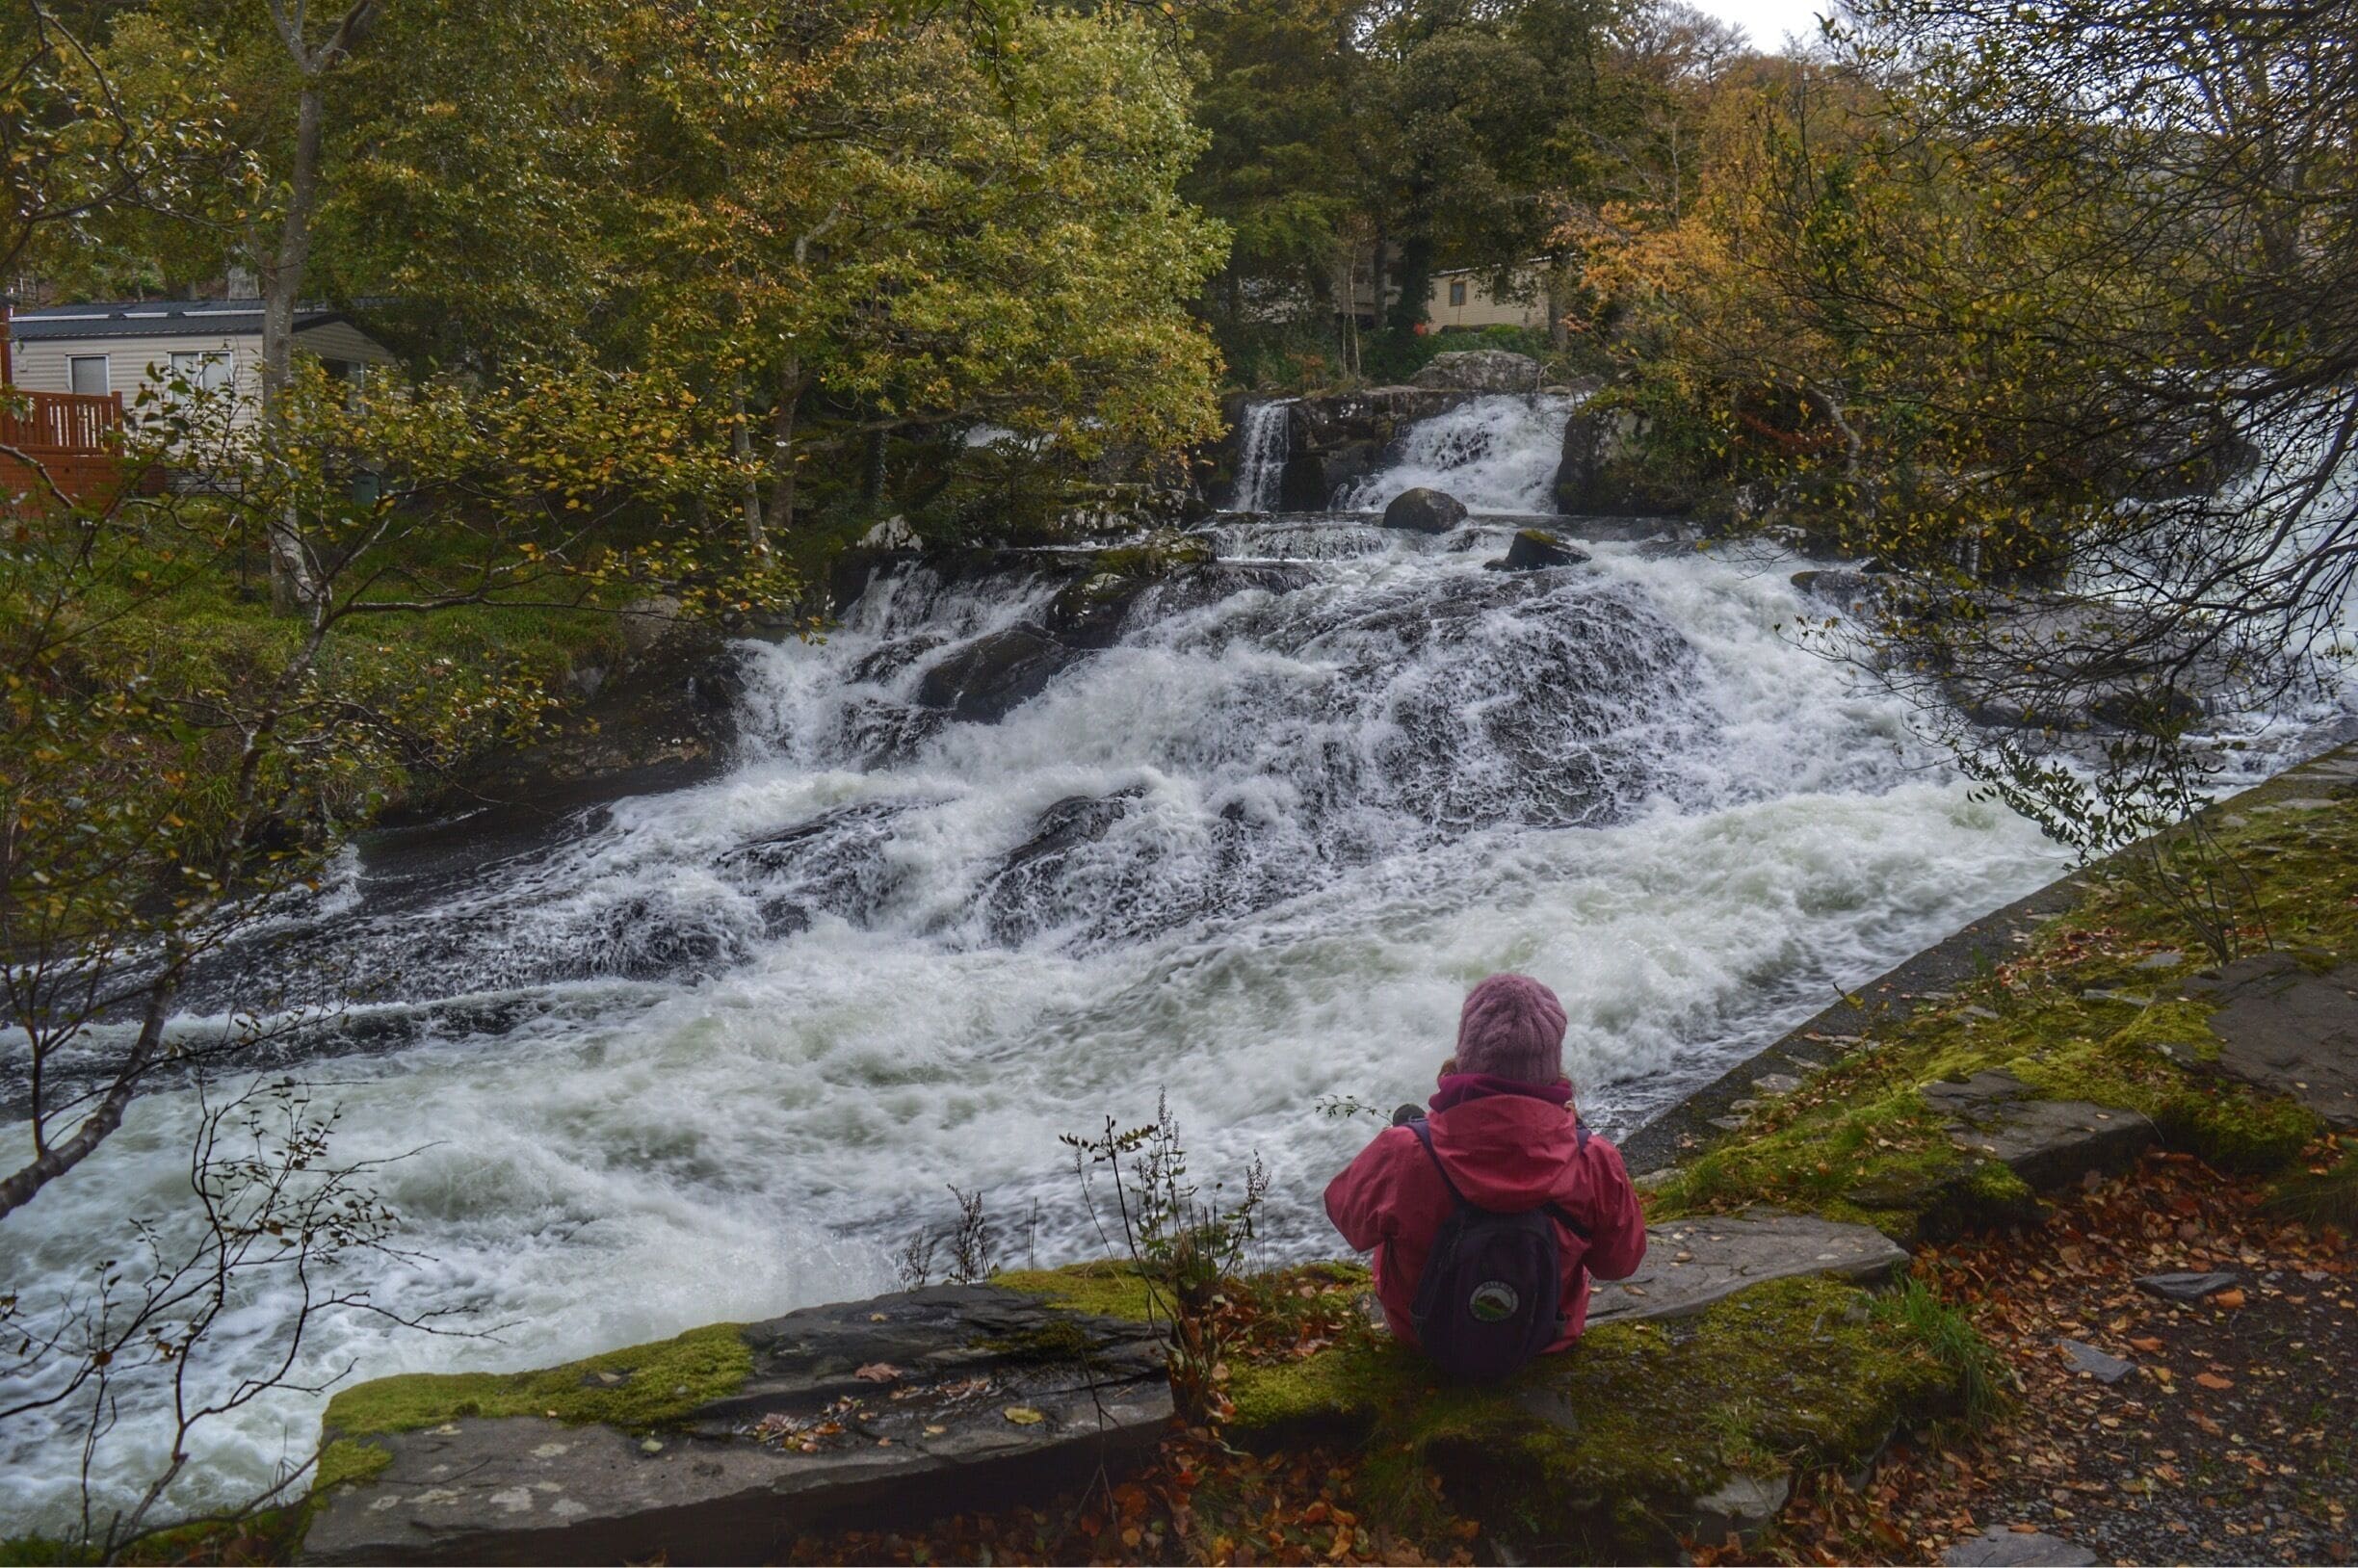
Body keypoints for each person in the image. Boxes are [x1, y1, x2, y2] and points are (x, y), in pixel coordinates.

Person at [1323, 973, 1647, 1372]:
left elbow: (1346, 1217)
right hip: (1547, 1336)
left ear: (1467, 1051)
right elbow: (1619, 1264)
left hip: (1422, 1335)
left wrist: (1409, 1143)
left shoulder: (1405, 1152)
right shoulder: (1594, 1159)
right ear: (1551, 1063)